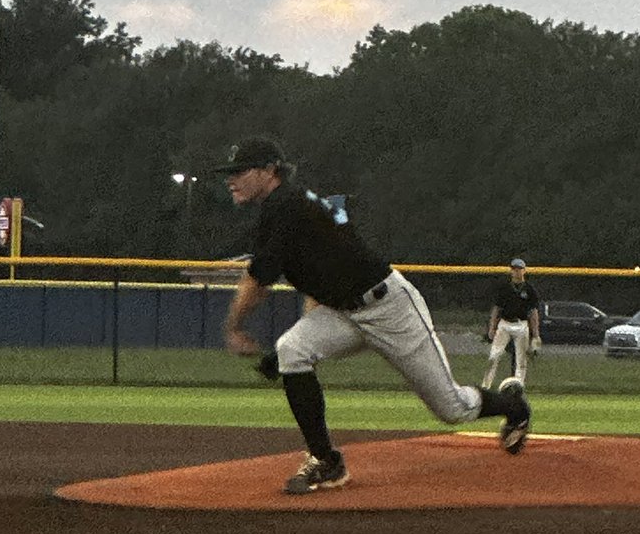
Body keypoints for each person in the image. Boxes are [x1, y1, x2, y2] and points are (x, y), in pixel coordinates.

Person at [216, 137, 532, 495]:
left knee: (452, 408)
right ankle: (326, 462)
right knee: (292, 349)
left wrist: (234, 327)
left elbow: (257, 280)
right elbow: (322, 273)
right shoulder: (290, 205)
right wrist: (307, 334)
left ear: (269, 171)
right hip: (343, 311)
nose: (231, 179)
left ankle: (513, 405)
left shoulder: (285, 206)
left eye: (239, 171)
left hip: (389, 308)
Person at [482, 258, 541, 390]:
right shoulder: (504, 288)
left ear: (524, 271)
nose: (516, 271)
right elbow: (496, 309)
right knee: (494, 356)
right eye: (514, 269)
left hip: (521, 324)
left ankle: (518, 388)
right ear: (511, 271)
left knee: (521, 360)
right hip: (505, 324)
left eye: (519, 269)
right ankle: (485, 387)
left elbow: (533, 313)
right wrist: (492, 328)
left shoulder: (529, 290)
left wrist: (536, 334)